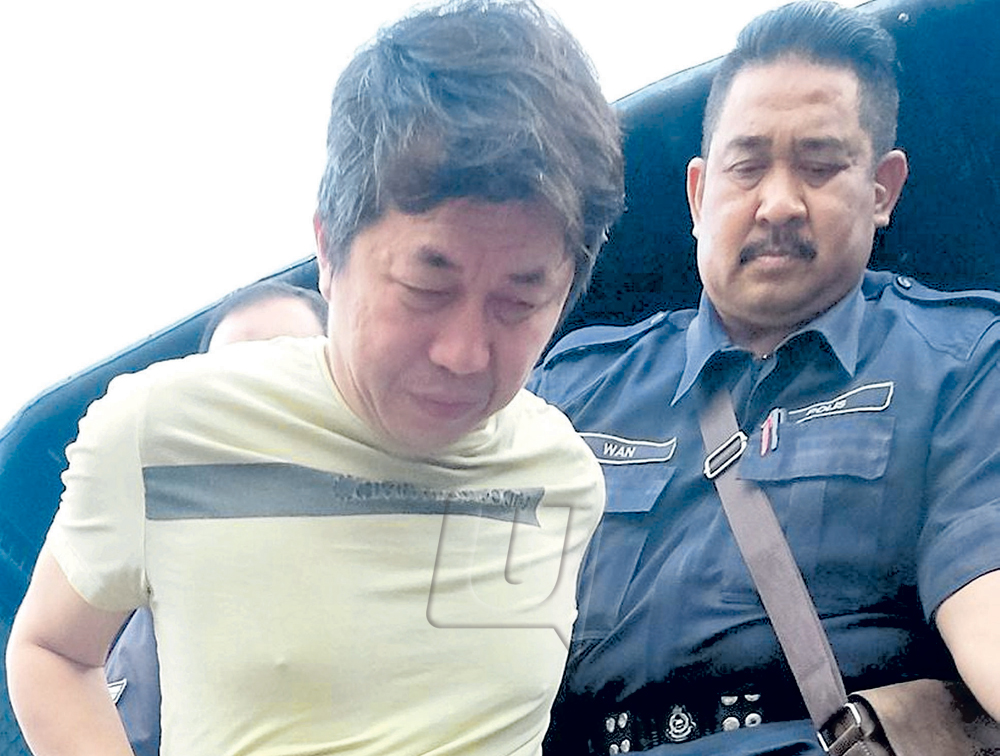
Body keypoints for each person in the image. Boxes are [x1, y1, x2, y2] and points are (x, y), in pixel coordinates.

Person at [5, 1, 625, 754]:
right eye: (426, 287)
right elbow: (52, 651)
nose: (464, 352)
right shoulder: (163, 432)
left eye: (519, 301)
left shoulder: (562, 478)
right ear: (329, 252)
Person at [529, 2, 1000, 754]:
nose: (778, 204)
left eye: (820, 166)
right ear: (697, 195)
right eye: (746, 167)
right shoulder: (569, 393)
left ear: (882, 190)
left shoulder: (963, 366)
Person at [104, 279, 329, 756]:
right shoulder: (171, 608)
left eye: (289, 366)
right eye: (231, 383)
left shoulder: (441, 537)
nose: (258, 398)